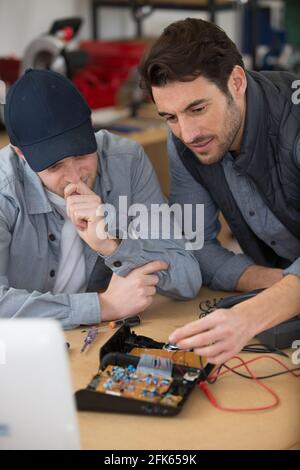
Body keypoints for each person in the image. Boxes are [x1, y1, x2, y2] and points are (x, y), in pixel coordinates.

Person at [139, 18, 300, 364]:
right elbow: (195, 247)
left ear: (236, 82)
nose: (187, 132)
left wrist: (252, 314)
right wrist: (279, 284)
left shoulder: (295, 123)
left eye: (198, 108)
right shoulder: (184, 140)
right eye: (169, 117)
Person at [0, 68, 201, 329]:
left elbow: (187, 278)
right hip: (25, 348)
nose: (75, 177)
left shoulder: (126, 162)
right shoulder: (5, 188)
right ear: (21, 154)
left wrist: (113, 245)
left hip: (94, 340)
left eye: (82, 154)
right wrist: (104, 306)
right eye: (55, 166)